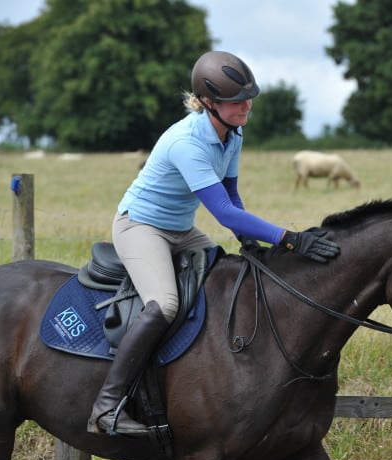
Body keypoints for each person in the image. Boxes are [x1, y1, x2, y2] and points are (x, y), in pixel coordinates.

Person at [87, 50, 341, 436]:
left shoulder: (232, 134)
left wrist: (249, 242)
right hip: (141, 227)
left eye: (248, 98)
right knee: (165, 305)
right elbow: (223, 212)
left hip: (181, 229)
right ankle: (107, 406)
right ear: (209, 103)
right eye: (237, 101)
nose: (247, 106)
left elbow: (232, 196)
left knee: (228, 279)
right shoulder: (186, 143)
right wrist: (290, 240)